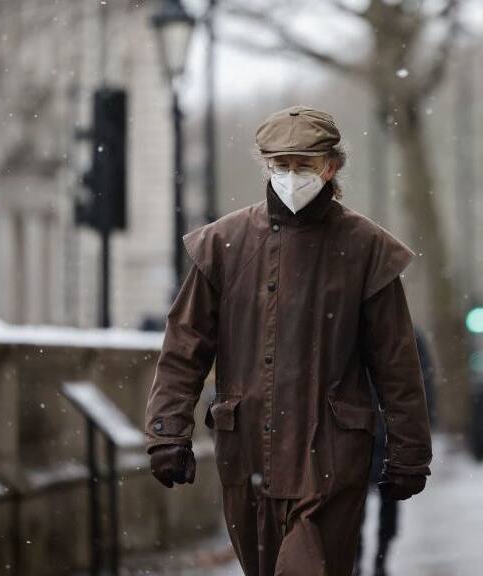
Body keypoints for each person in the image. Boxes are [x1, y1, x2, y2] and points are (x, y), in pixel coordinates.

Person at [144, 105, 432, 576]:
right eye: (282, 165)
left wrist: (410, 452)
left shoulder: (367, 249)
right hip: (247, 449)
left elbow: (396, 363)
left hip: (332, 454)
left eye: (305, 164)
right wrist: (167, 433)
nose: (292, 175)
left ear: (331, 166)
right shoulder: (224, 244)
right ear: (267, 166)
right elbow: (184, 348)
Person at [353, 326, 434, 576]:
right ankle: (373, 559)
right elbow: (423, 383)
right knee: (366, 501)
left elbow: (422, 384)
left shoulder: (405, 334)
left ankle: (374, 558)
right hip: (372, 428)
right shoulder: (406, 334)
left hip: (376, 428)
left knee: (367, 500)